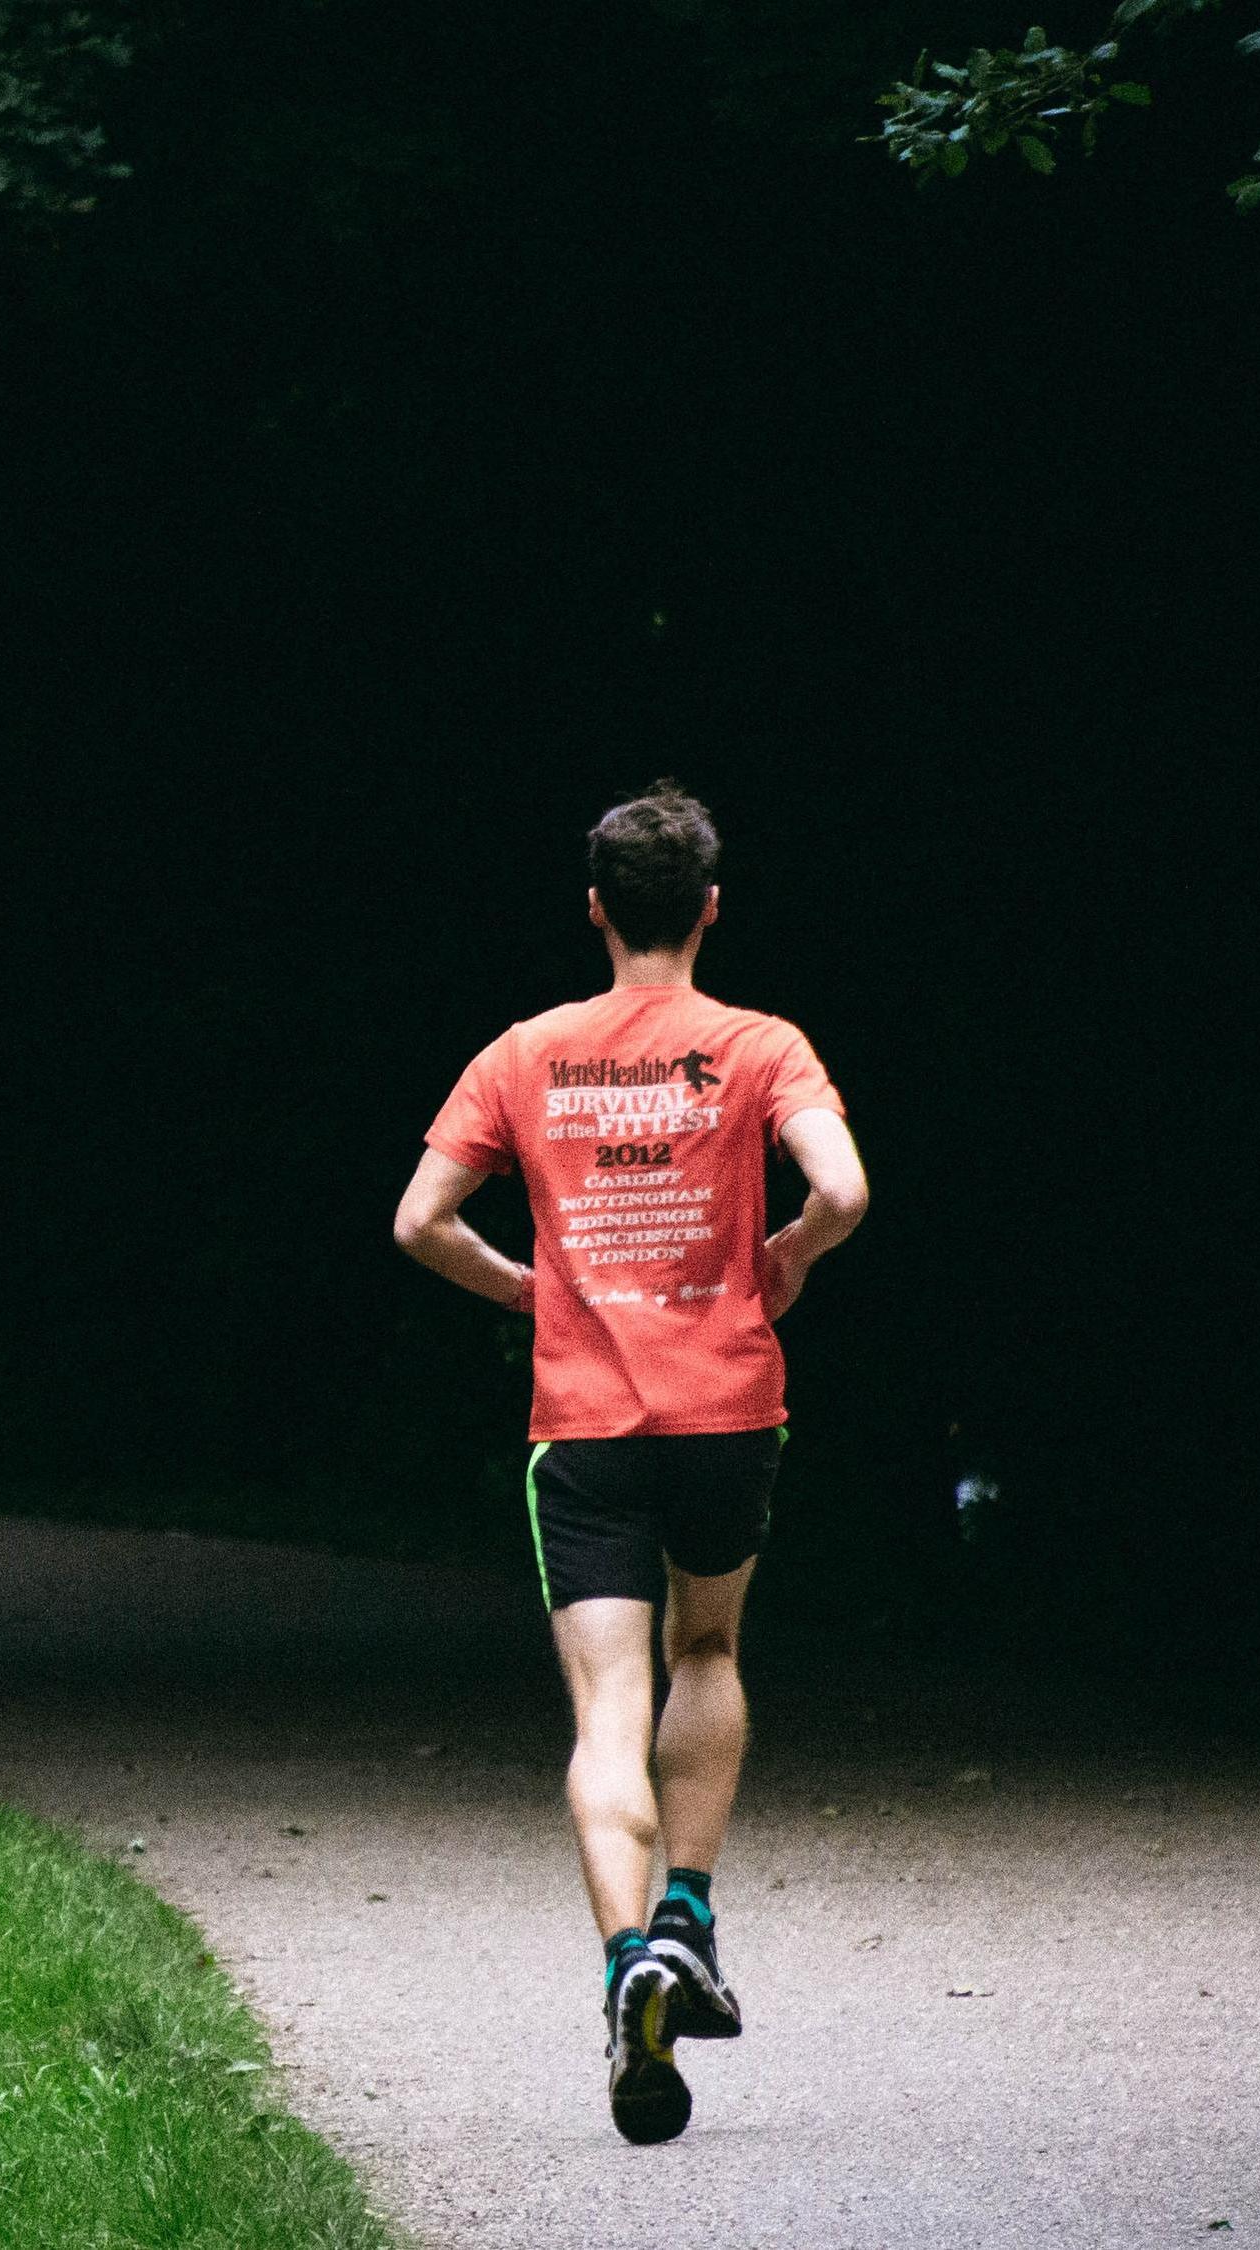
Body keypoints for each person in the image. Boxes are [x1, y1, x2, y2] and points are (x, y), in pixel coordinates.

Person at [389, 781, 868, 2146]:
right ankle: (689, 1922)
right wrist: (788, 1255)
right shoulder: (760, 1044)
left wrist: (527, 1288)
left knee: (606, 1710)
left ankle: (625, 1972)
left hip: (584, 1426)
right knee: (706, 1655)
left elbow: (420, 1219)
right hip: (726, 1410)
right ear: (710, 908)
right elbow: (843, 1189)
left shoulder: (523, 1053)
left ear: (596, 908)